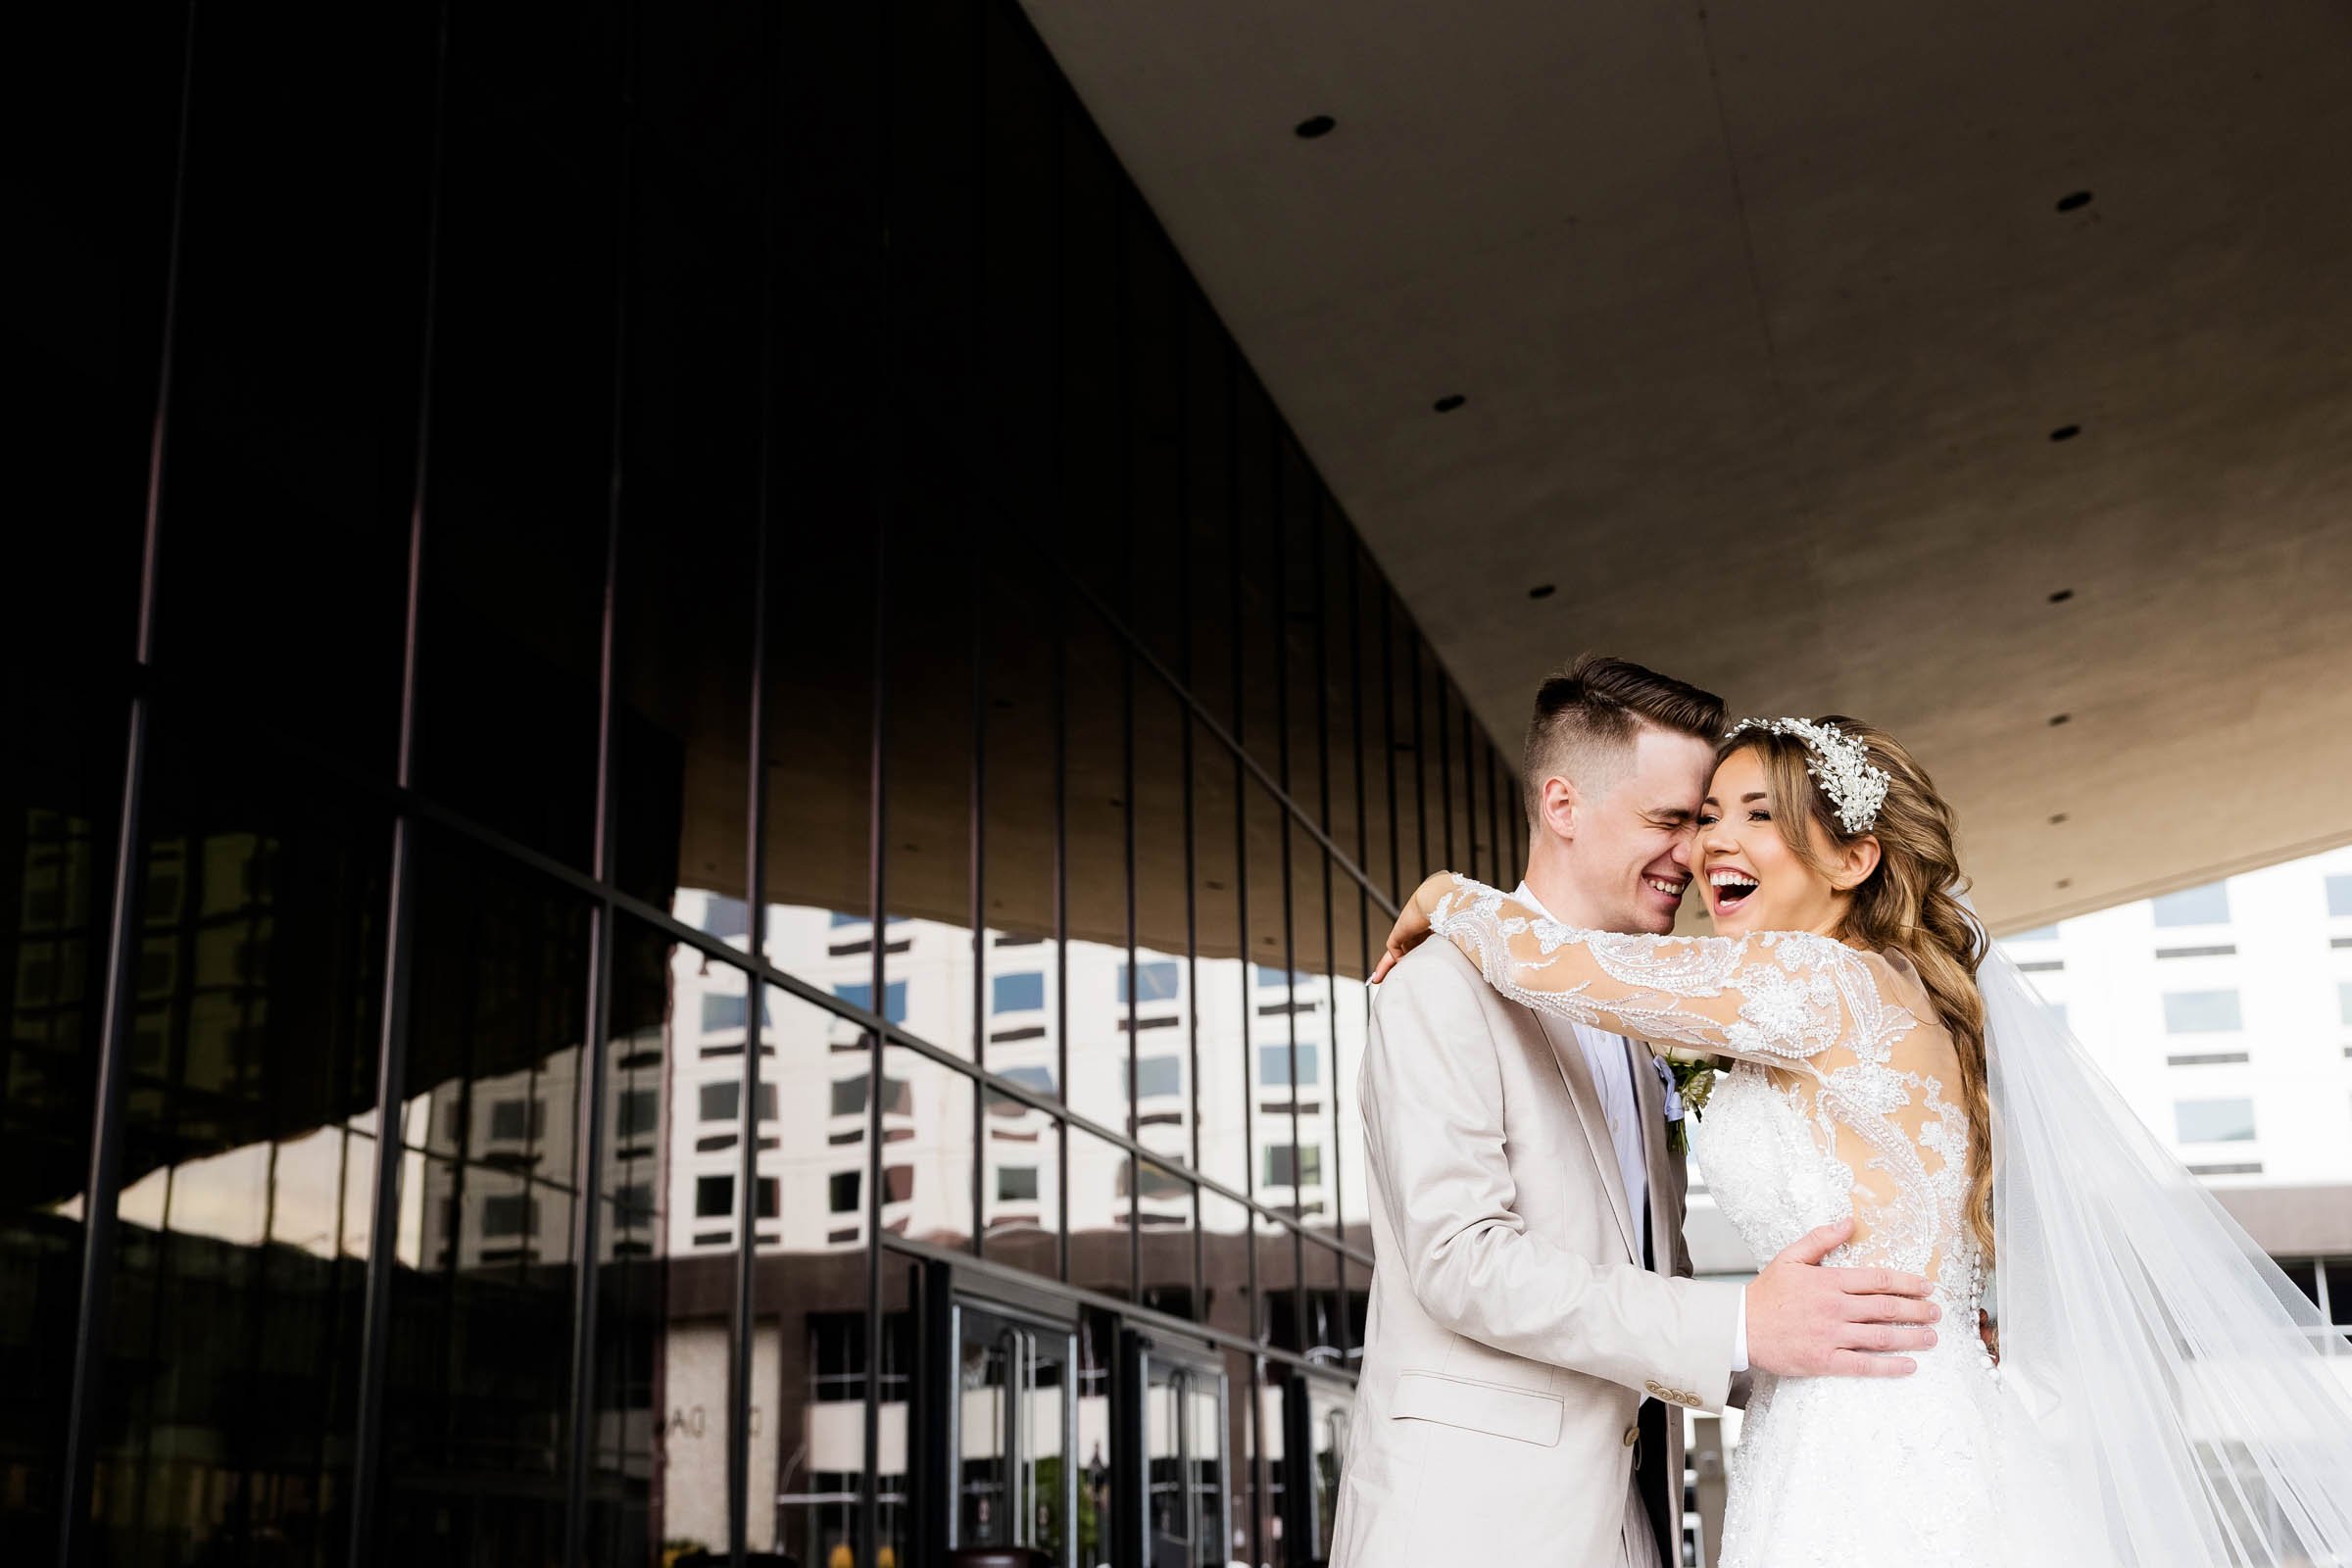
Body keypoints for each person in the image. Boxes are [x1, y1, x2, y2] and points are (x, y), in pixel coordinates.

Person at [1377, 710, 2352, 1565]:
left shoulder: (1819, 982)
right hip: (1862, 1406)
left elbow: (1565, 965)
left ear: (1854, 857)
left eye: (1760, 814)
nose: (1715, 840)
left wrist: (1444, 897)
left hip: (1871, 1437)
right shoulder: (1870, 991)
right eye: (1707, 812)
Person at [1326, 660, 1944, 1568]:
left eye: (1704, 824)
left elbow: (1653, 1269)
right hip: (1474, 1528)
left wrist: (1836, 1341)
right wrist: (1742, 1327)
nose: (1694, 854)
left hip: (1634, 1524)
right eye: (1672, 821)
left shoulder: (1649, 1016)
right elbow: (1461, 1262)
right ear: (1563, 805)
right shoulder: (1437, 987)